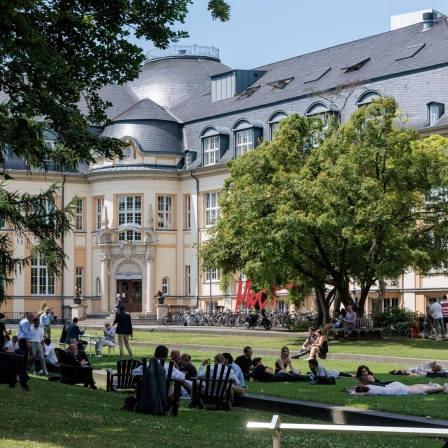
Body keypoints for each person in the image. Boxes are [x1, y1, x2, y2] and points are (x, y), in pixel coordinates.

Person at [350, 382, 446, 396]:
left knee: (420, 391)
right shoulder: (370, 386)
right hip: (394, 387)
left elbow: (355, 394)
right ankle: (437, 387)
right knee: (416, 387)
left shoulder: (370, 392)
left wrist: (353, 391)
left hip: (396, 389)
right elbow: (356, 390)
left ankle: (442, 388)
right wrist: (354, 389)